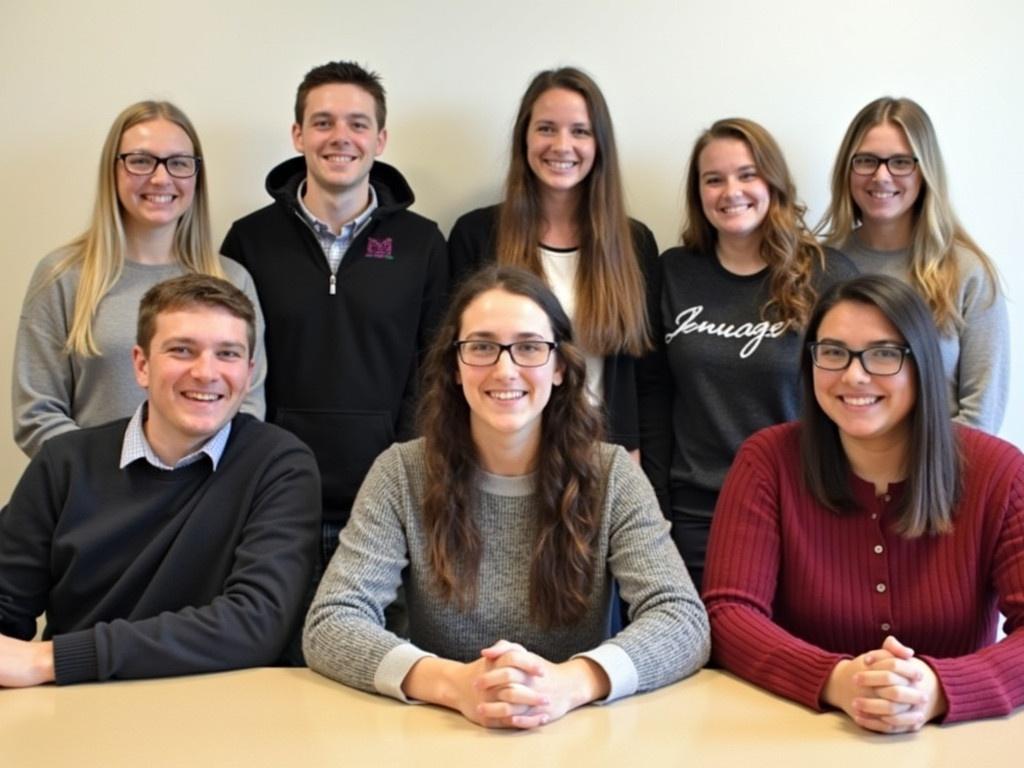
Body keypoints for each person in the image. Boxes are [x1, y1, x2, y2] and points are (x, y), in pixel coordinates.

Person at [303, 266, 709, 729]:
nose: (505, 368)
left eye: (529, 347)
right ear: (454, 367)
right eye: (481, 346)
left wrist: (569, 683)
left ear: (559, 368)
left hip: (574, 734)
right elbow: (331, 622)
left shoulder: (612, 474)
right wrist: (455, 685)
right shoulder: (401, 472)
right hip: (439, 731)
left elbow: (682, 620)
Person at [704, 274, 1024, 731]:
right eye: (833, 352)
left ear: (922, 365)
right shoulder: (767, 461)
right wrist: (837, 680)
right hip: (798, 734)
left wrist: (936, 689)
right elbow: (728, 614)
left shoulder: (999, 472)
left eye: (883, 354)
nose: (854, 375)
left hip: (954, 742)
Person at [0, 275, 320, 687]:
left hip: (228, 713)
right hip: (80, 708)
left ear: (248, 371)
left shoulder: (280, 466)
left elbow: (255, 623)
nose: (206, 373)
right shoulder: (64, 463)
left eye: (228, 354)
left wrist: (53, 660)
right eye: (182, 350)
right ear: (141, 365)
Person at [221, 61, 448, 570]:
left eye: (357, 123)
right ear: (298, 134)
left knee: (376, 648)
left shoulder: (422, 244)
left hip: (391, 501)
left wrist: (403, 465)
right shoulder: (248, 241)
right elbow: (233, 368)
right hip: (273, 496)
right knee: (276, 648)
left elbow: (435, 371)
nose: (340, 137)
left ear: (380, 139)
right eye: (323, 122)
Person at [640, 118, 857, 591]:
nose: (730, 191)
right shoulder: (673, 272)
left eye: (746, 174)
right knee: (702, 656)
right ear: (698, 194)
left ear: (773, 183)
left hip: (801, 509)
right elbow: (654, 397)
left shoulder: (827, 274)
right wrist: (656, 509)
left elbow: (851, 398)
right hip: (696, 512)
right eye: (713, 179)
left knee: (785, 658)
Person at [13, 100, 266, 458]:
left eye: (178, 163)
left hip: (202, 500)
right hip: (93, 500)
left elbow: (247, 408)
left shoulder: (231, 279)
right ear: (112, 170)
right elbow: (36, 414)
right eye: (141, 161)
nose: (161, 178)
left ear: (196, 176)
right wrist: (115, 478)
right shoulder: (62, 277)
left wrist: (181, 482)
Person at [448, 66, 657, 457]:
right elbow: (453, 361)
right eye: (546, 128)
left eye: (580, 131)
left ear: (600, 145)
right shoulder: (476, 236)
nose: (562, 145)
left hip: (602, 454)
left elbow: (647, 375)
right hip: (504, 452)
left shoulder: (635, 244)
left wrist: (634, 457)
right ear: (524, 139)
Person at [818, 96, 1008, 432]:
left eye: (901, 162)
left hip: (939, 477)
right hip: (834, 475)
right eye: (865, 160)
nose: (881, 175)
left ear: (925, 172)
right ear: (847, 170)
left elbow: (981, 413)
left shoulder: (968, 273)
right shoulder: (819, 266)